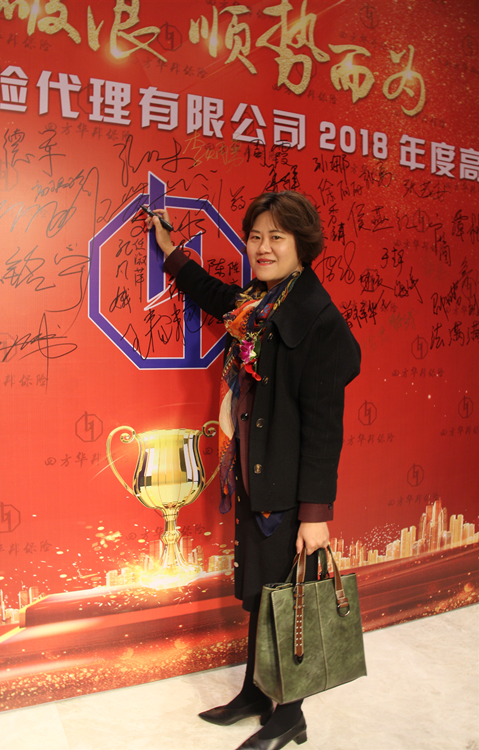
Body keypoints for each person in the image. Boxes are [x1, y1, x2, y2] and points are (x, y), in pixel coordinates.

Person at [146, 191, 361, 750]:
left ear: (301, 246)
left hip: (288, 487)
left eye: (277, 238)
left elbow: (324, 430)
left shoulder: (319, 321)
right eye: (256, 237)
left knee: (288, 598)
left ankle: (289, 717)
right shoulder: (259, 304)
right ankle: (254, 692)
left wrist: (316, 514)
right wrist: (170, 251)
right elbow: (213, 293)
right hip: (255, 477)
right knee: (265, 594)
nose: (263, 248)